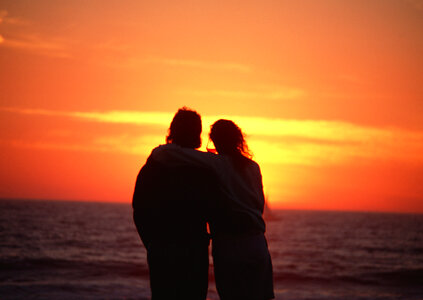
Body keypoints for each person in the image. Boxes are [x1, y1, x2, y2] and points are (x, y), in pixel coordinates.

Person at [151, 119, 274, 300]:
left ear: (214, 141)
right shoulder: (254, 168)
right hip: (257, 244)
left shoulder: (217, 164)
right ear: (238, 140)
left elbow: (162, 153)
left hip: (230, 245)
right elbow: (259, 205)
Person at [132, 107, 218, 299]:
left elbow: (139, 208)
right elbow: (215, 209)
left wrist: (153, 244)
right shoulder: (205, 168)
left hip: (163, 249)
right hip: (193, 251)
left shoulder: (154, 163)